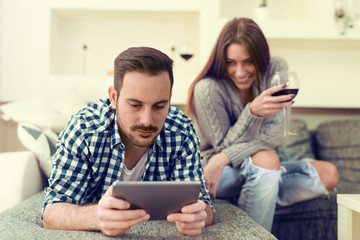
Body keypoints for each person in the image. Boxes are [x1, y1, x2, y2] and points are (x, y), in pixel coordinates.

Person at [42, 46, 214, 236]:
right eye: (135, 105)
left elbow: (205, 207)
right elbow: (52, 212)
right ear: (114, 97)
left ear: (169, 99)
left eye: (159, 106)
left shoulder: (181, 130)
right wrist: (95, 216)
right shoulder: (84, 129)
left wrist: (199, 216)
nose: (147, 120)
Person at [186, 18, 339, 231]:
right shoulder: (207, 88)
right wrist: (252, 113)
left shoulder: (275, 70)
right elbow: (221, 146)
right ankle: (258, 208)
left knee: (328, 174)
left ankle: (258, 189)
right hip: (218, 172)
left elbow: (275, 133)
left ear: (261, 58)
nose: (240, 72)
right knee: (267, 159)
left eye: (248, 61)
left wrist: (224, 158)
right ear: (222, 60)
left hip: (249, 165)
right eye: (231, 62)